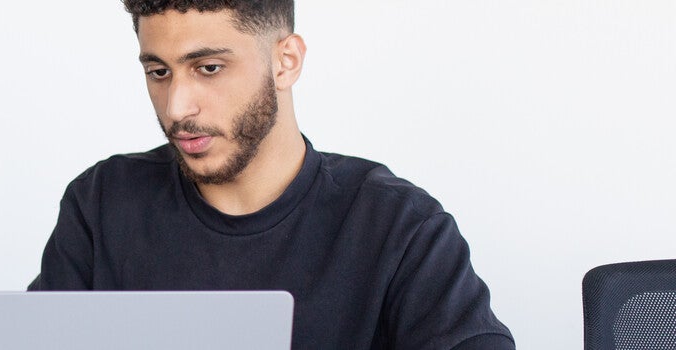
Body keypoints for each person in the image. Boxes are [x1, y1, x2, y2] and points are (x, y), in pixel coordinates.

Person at [28, 1, 514, 348]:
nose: (177, 108)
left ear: (286, 62)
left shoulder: (398, 227)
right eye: (159, 72)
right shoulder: (100, 204)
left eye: (209, 68)